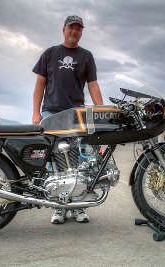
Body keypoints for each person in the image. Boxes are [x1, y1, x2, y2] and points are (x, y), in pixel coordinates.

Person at [32, 15, 104, 224]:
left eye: (78, 29)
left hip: (76, 114)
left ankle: (78, 206)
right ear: (63, 30)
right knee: (54, 159)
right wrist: (36, 112)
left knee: (78, 159)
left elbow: (93, 85)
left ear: (81, 32)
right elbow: (40, 84)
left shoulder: (86, 56)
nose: (74, 31)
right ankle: (59, 207)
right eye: (71, 28)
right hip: (51, 113)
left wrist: (100, 111)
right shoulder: (50, 53)